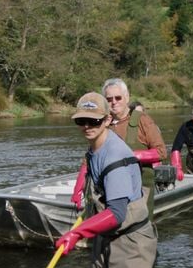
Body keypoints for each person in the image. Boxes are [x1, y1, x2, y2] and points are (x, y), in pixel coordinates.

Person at [56, 92, 158, 268]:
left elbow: (116, 213)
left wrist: (77, 233)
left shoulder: (115, 156)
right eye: (81, 121)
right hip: (105, 237)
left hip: (131, 240)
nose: (87, 126)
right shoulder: (93, 151)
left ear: (107, 120)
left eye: (94, 121)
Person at [71, 79, 166, 219]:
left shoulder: (142, 120)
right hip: (108, 190)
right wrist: (78, 189)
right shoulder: (100, 123)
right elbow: (89, 159)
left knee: (138, 228)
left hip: (138, 190)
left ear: (126, 97)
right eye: (109, 99)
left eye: (118, 98)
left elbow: (161, 152)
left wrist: (129, 156)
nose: (114, 102)